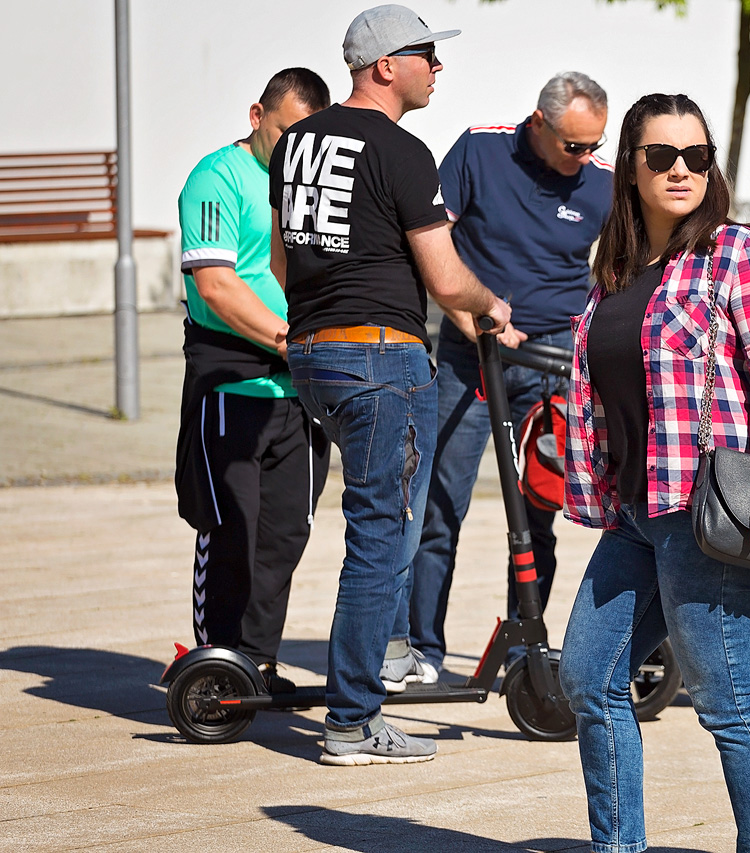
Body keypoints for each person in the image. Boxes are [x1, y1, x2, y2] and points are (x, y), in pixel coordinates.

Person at [558, 93, 750, 853]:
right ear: (630, 167)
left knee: (729, 705)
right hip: (638, 509)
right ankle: (617, 845)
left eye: (696, 157)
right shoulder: (618, 267)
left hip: (707, 512)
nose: (680, 171)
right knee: (588, 678)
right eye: (661, 156)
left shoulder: (739, 254)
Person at [268, 4, 511, 766]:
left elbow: (284, 261)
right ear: (385, 66)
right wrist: (491, 305)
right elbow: (445, 278)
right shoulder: (404, 151)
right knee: (382, 539)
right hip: (380, 359)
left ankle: (367, 685)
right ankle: (352, 719)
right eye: (427, 56)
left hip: (312, 353)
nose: (438, 68)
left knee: (373, 530)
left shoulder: (296, 143)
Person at [398, 71, 612, 685]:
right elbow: (430, 244)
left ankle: (526, 648)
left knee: (539, 509)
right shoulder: (478, 149)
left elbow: (623, 264)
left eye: (594, 144)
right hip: (473, 351)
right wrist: (473, 322)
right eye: (574, 145)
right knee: (437, 504)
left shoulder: (602, 179)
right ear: (539, 123)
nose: (586, 157)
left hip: (553, 361)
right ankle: (421, 650)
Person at [174, 68, 332, 693]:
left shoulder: (302, 182)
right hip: (233, 385)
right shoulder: (216, 178)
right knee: (230, 530)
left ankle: (258, 665)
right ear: (256, 115)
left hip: (298, 392)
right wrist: (289, 342)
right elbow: (214, 284)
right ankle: (217, 669)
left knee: (286, 533)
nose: (296, 145)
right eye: (287, 130)